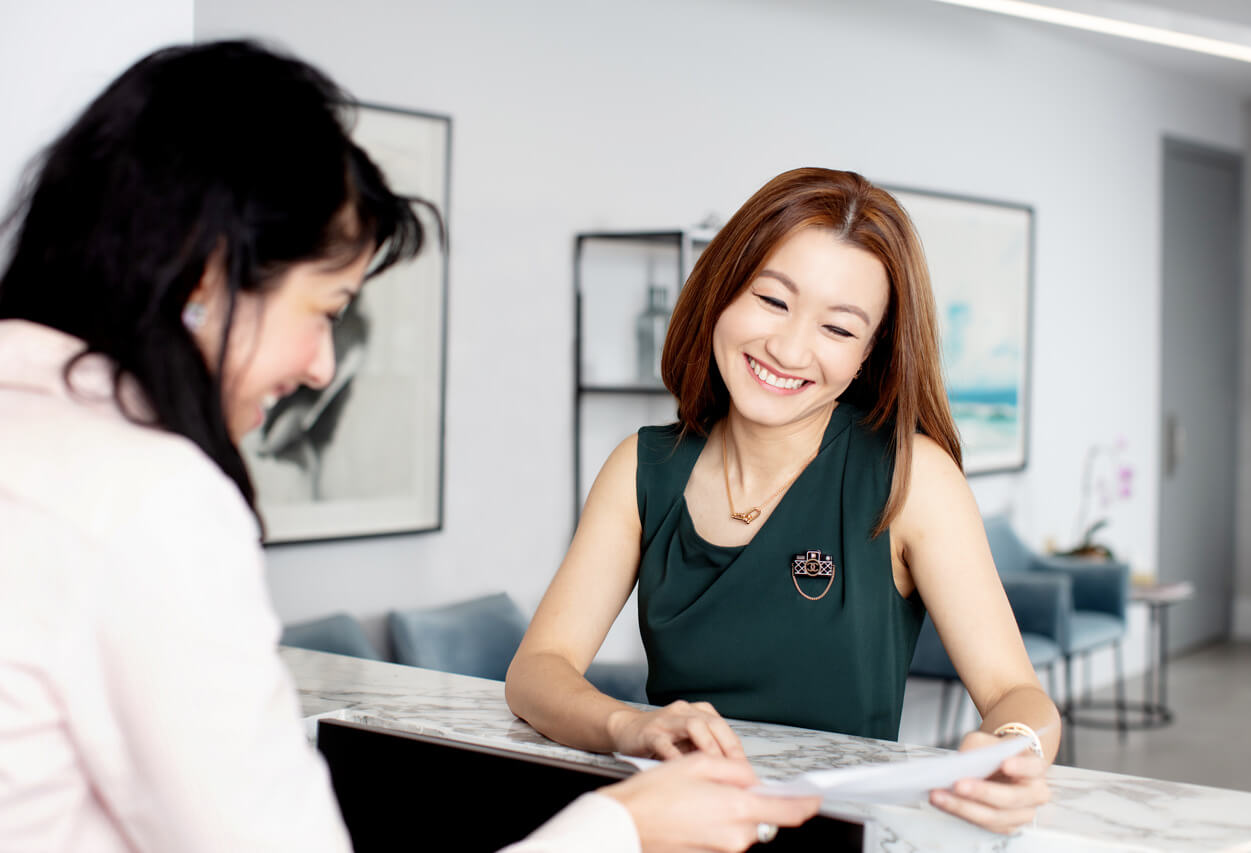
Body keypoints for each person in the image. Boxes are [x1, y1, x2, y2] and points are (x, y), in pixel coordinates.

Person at [0, 41, 818, 852]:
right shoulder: (149, 499)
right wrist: (628, 825)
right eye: (327, 307)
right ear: (207, 279)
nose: (322, 366)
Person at [506, 167, 1058, 835]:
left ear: (868, 356)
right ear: (722, 290)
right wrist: (633, 723)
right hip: (680, 836)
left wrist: (1018, 748)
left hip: (843, 837)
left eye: (839, 328)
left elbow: (1012, 691)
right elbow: (538, 670)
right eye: (772, 300)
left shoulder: (912, 479)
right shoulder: (641, 469)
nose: (790, 348)